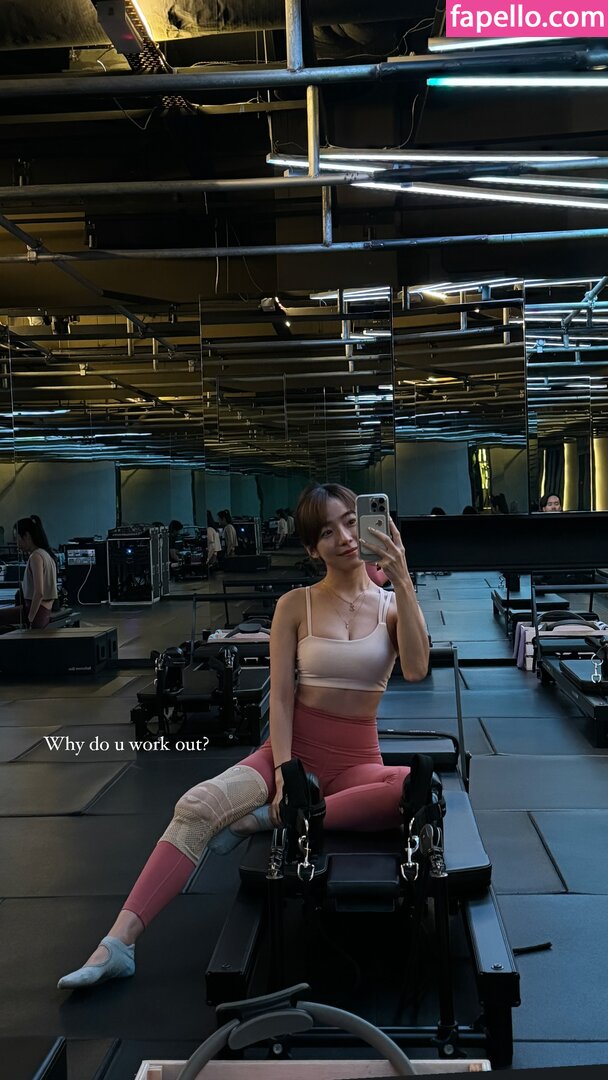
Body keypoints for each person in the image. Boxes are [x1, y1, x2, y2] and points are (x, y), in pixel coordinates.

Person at [57, 482, 429, 990]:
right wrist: (284, 773)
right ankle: (117, 945)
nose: (344, 538)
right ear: (311, 548)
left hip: (356, 763)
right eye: (326, 532)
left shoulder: (390, 605)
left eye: (350, 523)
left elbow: (416, 668)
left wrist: (402, 577)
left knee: (411, 787)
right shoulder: (295, 605)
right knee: (196, 806)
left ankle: (269, 820)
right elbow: (281, 698)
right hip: (293, 751)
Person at [0, 516, 58, 629]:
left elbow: (39, 593)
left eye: (17, 538)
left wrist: (30, 619)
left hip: (37, 613)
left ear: (26, 536)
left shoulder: (36, 556)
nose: (16, 543)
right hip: (40, 610)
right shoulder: (46, 554)